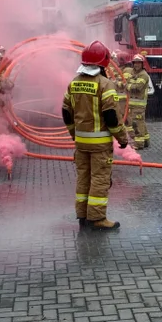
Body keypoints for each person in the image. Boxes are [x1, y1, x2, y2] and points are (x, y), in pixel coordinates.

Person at [61, 40, 129, 230]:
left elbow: (66, 112)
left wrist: (74, 134)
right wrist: (122, 139)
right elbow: (112, 118)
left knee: (83, 178)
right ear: (104, 62)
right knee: (99, 179)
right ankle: (97, 218)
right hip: (99, 145)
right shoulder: (105, 84)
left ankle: (82, 215)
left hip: (81, 143)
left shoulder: (74, 83)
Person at [125, 54, 150, 149]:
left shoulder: (144, 75)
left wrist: (128, 85)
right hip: (133, 104)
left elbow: (137, 88)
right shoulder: (133, 73)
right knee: (141, 122)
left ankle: (139, 144)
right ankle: (146, 140)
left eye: (139, 63)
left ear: (142, 64)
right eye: (135, 63)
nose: (137, 65)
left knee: (137, 123)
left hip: (139, 105)